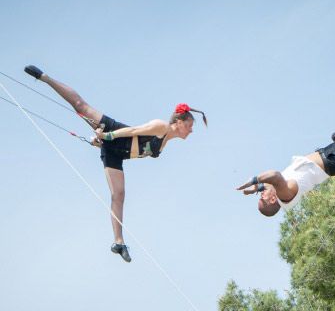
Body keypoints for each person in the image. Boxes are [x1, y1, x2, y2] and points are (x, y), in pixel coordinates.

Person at [24, 65, 207, 262]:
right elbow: (134, 131)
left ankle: (118, 242)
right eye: (189, 126)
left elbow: (136, 151)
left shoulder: (165, 143)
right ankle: (44, 77)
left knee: (118, 195)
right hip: (116, 133)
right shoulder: (161, 126)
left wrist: (100, 143)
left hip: (115, 154)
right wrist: (109, 135)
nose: (190, 131)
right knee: (80, 105)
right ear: (178, 122)